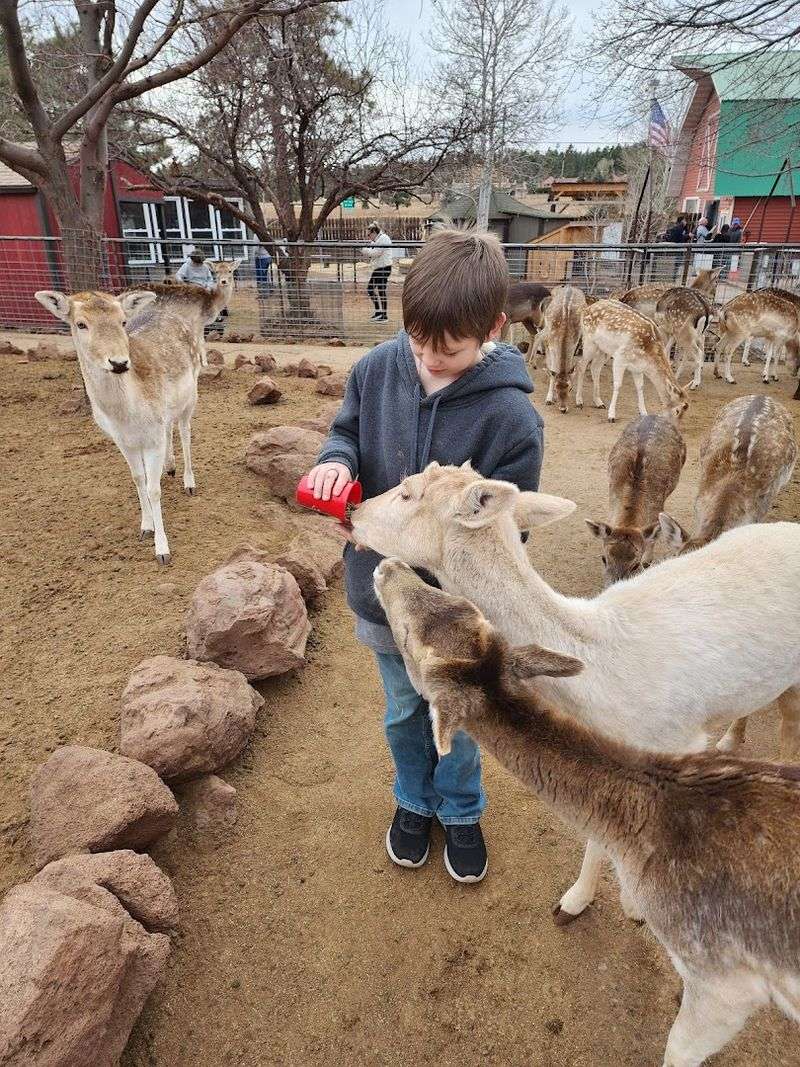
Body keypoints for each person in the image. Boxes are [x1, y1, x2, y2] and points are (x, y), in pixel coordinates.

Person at [305, 230, 544, 884]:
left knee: (459, 714)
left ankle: (461, 808)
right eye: (418, 344)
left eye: (450, 352)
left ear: (493, 328)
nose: (430, 362)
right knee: (405, 708)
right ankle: (414, 799)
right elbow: (347, 433)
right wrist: (335, 463)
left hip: (459, 614)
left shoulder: (511, 421)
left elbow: (507, 531)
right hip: (383, 598)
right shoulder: (378, 369)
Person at [363, 222, 393, 322]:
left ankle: (384, 315)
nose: (368, 237)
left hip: (384, 267)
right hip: (379, 268)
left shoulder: (383, 238)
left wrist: (364, 250)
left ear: (374, 232)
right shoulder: (376, 240)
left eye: (369, 235)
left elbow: (375, 253)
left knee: (380, 290)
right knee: (371, 289)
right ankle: (379, 312)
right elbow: (372, 251)